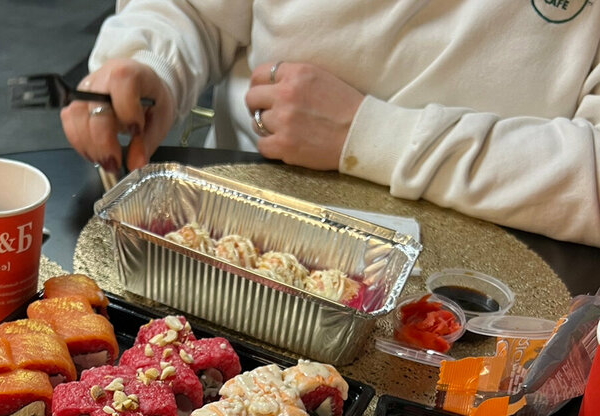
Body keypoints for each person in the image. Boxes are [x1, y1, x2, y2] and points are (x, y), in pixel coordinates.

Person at [60, 0, 600, 247]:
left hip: (507, 285)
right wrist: (152, 62)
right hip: (234, 234)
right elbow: (192, 11)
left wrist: (370, 137)